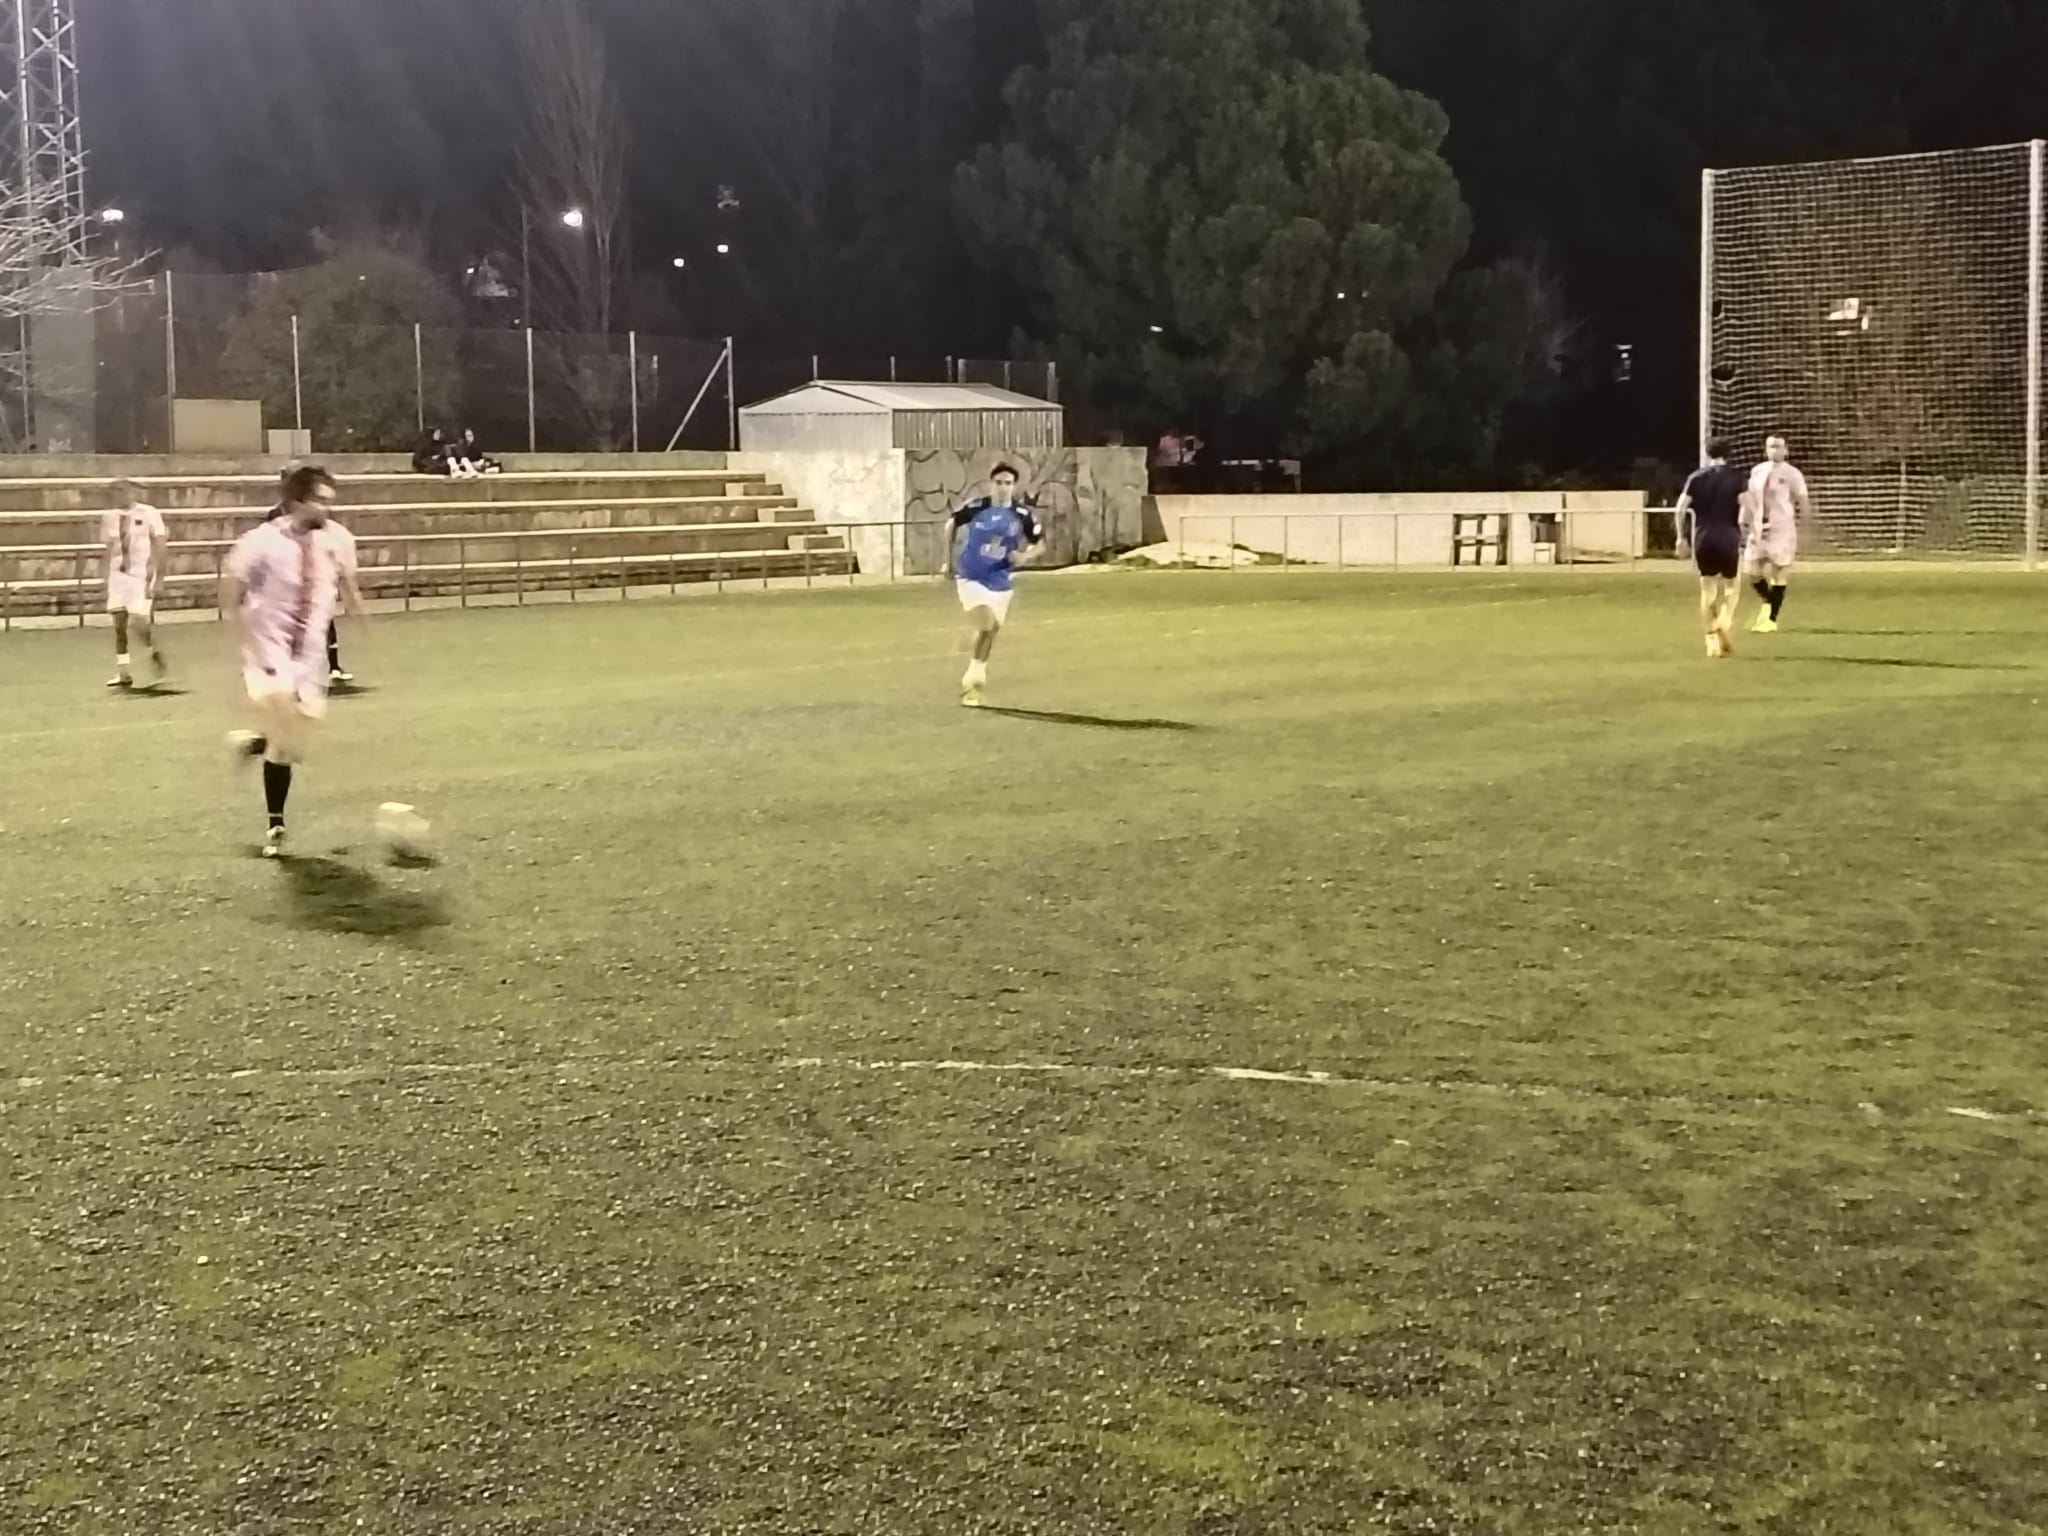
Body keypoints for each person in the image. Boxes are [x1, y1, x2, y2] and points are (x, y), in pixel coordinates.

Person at [222, 465, 361, 858]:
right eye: (319, 500)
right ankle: (276, 826)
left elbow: (349, 585)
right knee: (285, 737)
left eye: (330, 501)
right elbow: (231, 590)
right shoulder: (261, 541)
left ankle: (255, 742)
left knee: (296, 734)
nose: (326, 509)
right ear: (296, 501)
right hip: (269, 650)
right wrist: (246, 640)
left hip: (309, 658)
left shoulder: (338, 540)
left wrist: (364, 619)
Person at [945, 463, 1043, 707]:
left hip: (1001, 581)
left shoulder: (1022, 515)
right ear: (991, 484)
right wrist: (948, 561)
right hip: (971, 576)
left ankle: (973, 681)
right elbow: (951, 524)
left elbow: (1040, 543)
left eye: (1008, 483)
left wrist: (1024, 557)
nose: (1002, 487)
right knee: (987, 624)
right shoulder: (978, 507)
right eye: (998, 482)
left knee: (989, 632)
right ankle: (973, 681)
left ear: (1014, 486)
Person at [268, 468, 361, 685]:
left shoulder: (314, 512)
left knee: (325, 621)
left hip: (313, 576)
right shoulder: (276, 514)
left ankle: (333, 666)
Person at [1675, 438, 1748, 658]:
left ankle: (1711, 642)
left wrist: (1680, 536)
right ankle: (1724, 621)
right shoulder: (1737, 477)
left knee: (1707, 589)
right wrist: (1752, 530)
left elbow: (1680, 509)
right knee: (1732, 586)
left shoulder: (1696, 477)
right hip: (1728, 536)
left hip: (1703, 538)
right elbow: (1749, 506)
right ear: (1729, 453)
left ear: (1708, 453)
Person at [100, 479, 169, 688]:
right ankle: (124, 673)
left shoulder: (149, 513)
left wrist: (160, 576)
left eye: (124, 491)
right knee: (119, 625)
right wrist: (105, 576)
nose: (121, 495)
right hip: (117, 575)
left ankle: (155, 655)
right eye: (116, 492)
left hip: (140, 575)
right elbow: (108, 549)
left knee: (138, 621)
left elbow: (160, 544)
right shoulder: (109, 517)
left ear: (132, 492)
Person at [1743, 434, 1810, 633]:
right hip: (1758, 527)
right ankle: (1769, 602)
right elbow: (1749, 497)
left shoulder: (1792, 474)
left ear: (1786, 450)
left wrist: (1804, 524)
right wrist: (1744, 517)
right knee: (1752, 572)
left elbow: (1802, 499)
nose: (1774, 450)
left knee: (1779, 572)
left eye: (1778, 446)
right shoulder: (1757, 471)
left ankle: (1771, 619)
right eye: (1771, 446)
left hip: (1782, 528)